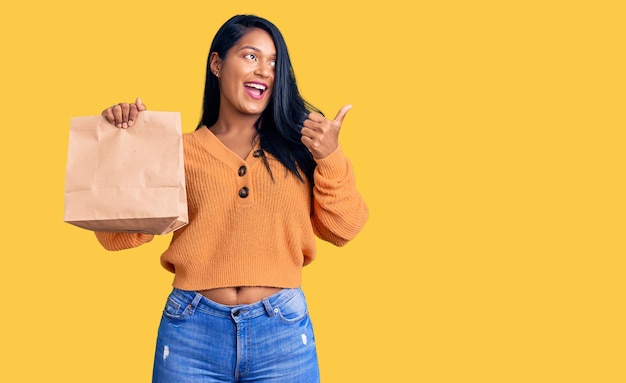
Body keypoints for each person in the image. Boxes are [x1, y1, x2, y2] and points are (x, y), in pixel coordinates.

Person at [95, 14, 368, 383]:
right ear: (217, 63)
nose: (264, 71)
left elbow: (344, 228)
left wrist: (330, 156)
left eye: (273, 62)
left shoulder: (300, 146)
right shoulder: (179, 150)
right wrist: (126, 147)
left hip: (282, 333)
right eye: (251, 56)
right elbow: (116, 238)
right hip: (191, 331)